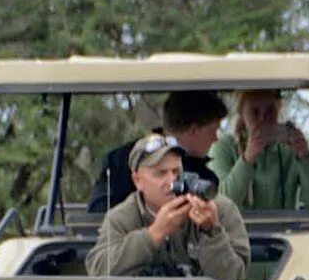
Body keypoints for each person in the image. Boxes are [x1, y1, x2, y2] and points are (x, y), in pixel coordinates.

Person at [85, 133, 250, 280]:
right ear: (138, 181)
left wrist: (213, 232)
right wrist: (152, 235)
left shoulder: (220, 209)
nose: (172, 182)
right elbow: (98, 270)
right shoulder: (121, 217)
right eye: (161, 173)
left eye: (176, 172)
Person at [85, 91, 226, 215]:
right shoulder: (121, 162)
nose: (215, 138)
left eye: (176, 172)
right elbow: (98, 214)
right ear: (194, 130)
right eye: (213, 131)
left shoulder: (204, 178)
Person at [209, 89, 309, 212]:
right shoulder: (223, 147)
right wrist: (247, 159)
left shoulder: (293, 147)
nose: (262, 118)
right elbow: (220, 203)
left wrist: (305, 158)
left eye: (270, 111)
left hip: (284, 229)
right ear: (242, 113)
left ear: (279, 111)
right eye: (255, 112)